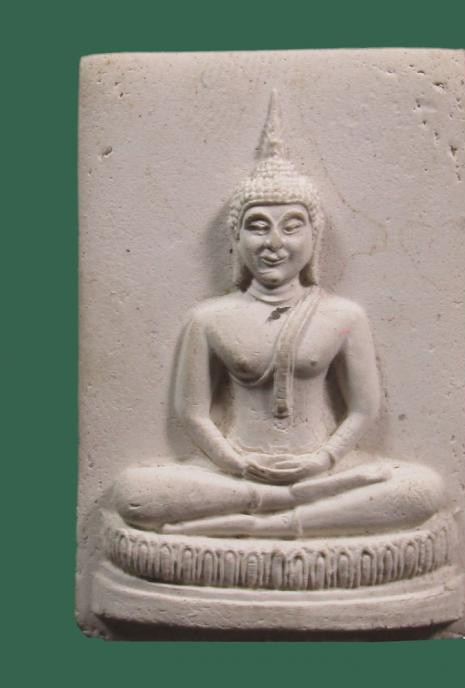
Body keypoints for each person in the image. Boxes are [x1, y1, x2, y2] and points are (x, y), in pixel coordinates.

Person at [113, 93, 444, 537]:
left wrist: (322, 461)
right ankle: (279, 507)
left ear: (314, 237)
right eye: (257, 226)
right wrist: (237, 464)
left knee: (422, 490)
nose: (274, 244)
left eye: (291, 227)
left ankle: (271, 520)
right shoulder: (209, 319)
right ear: (235, 239)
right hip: (236, 474)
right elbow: (193, 414)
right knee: (134, 492)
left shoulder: (343, 316)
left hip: (322, 470)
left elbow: (364, 409)